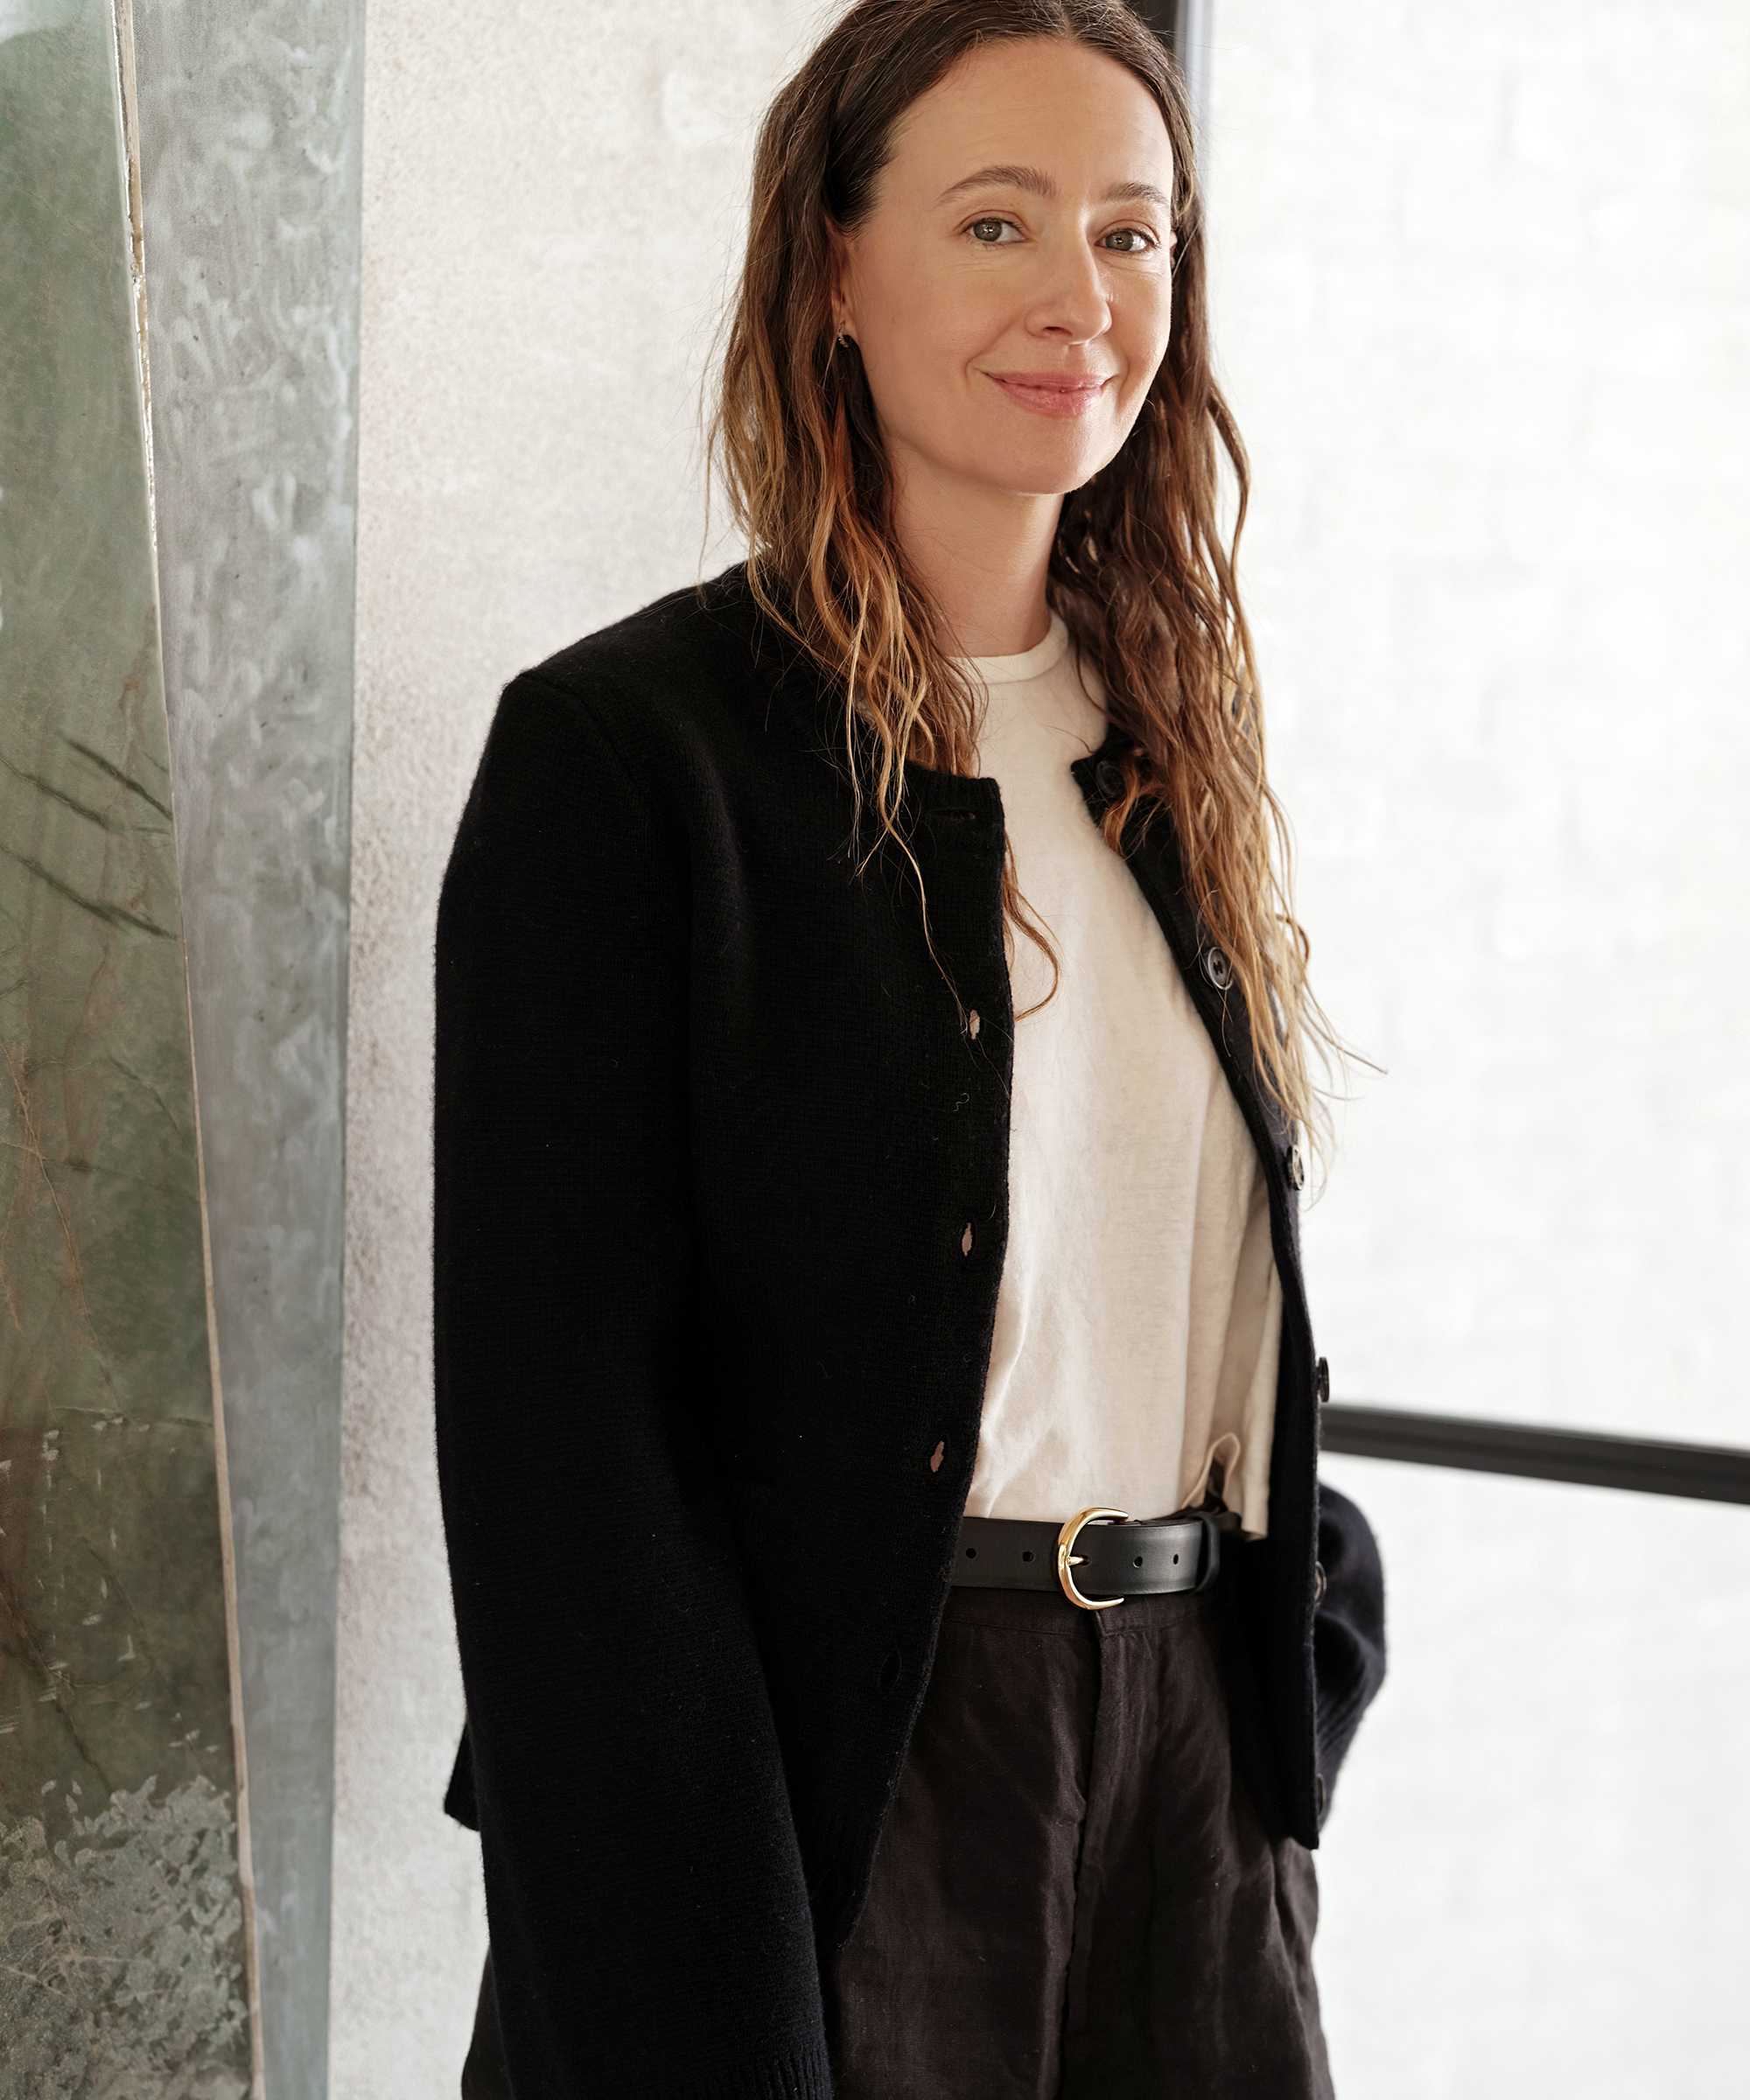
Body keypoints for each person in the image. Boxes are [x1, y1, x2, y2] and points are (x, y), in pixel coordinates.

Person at [435, 1, 1387, 2094]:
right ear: (835, 277)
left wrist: (1300, 1654)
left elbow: (1192, 1284)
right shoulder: (629, 757)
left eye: (1135, 235)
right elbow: (559, 1462)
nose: (1082, 296)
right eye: (996, 223)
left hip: (1188, 1795)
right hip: (841, 1803)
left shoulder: (1169, 748)